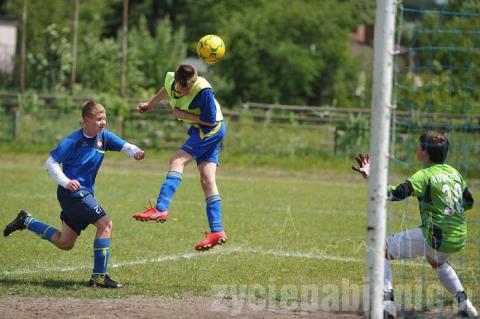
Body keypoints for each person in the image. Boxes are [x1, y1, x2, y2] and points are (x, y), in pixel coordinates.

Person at [3, 100, 145, 288]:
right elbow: (51, 163)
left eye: (104, 119)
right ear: (86, 120)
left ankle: (26, 220)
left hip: (81, 193)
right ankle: (99, 276)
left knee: (65, 242)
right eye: (98, 119)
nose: (102, 123)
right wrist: (66, 182)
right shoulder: (73, 140)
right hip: (73, 193)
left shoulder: (104, 137)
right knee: (105, 224)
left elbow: (126, 146)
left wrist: (136, 152)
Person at [352, 131, 477, 318]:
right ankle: (466, 306)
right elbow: (469, 202)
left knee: (379, 248)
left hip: (435, 236)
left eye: (419, 146)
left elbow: (395, 194)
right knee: (437, 262)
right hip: (458, 236)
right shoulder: (454, 173)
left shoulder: (424, 175)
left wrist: (371, 177)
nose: (417, 149)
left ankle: (387, 306)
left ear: (425, 152)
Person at [132, 64, 227, 251]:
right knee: (207, 179)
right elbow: (166, 90)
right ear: (176, 79)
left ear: (195, 79)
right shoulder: (171, 79)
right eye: (183, 88)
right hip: (203, 129)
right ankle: (217, 231)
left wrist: (181, 114)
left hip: (211, 129)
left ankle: (160, 208)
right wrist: (149, 105)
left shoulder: (204, 91)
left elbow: (210, 120)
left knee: (177, 161)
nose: (186, 90)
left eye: (189, 87)